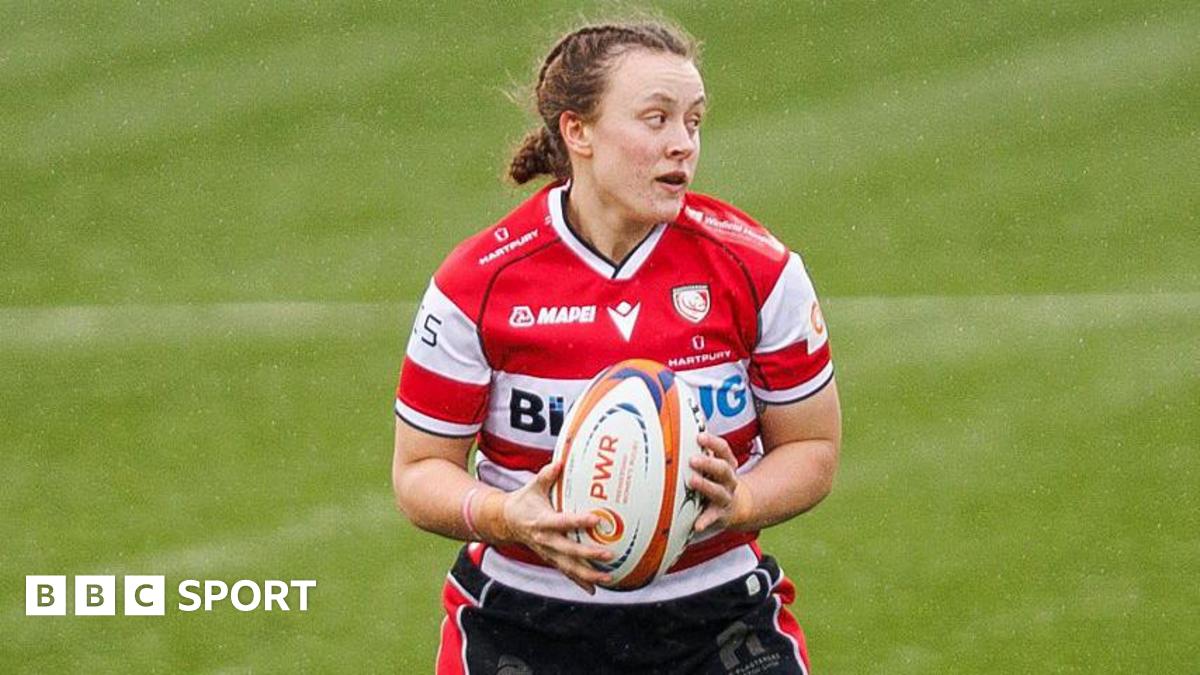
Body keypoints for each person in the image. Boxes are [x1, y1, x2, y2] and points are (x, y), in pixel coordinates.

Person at [393, 19, 841, 674]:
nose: (682, 143)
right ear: (578, 131)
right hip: (523, 622)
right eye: (656, 119)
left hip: (716, 618)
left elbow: (812, 445)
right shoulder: (478, 283)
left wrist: (741, 501)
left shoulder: (758, 268)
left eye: (693, 120)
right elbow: (418, 470)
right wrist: (507, 515)